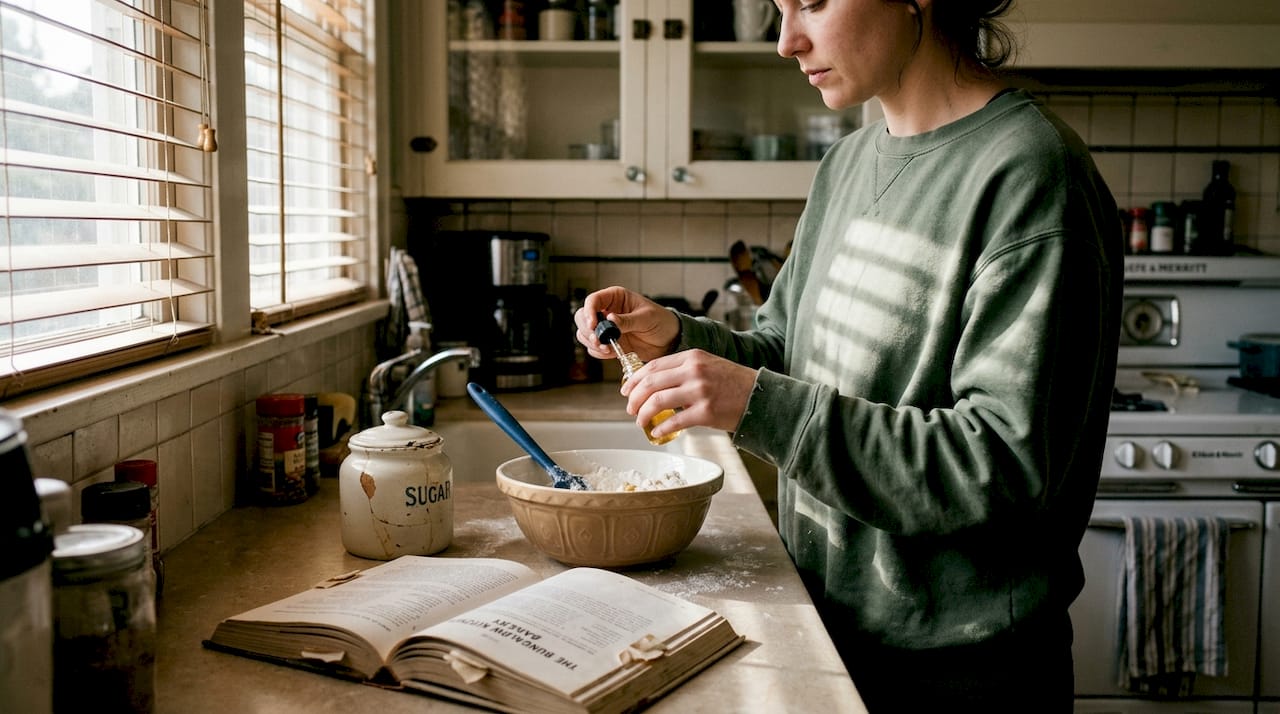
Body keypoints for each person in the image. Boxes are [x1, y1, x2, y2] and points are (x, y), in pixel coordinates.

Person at [574, 0, 1121, 710]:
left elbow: (999, 468)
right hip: (831, 632)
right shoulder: (848, 161)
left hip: (961, 673)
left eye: (812, 3)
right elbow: (785, 352)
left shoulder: (1032, 173)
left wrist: (755, 403)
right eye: (778, 9)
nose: (785, 42)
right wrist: (678, 338)